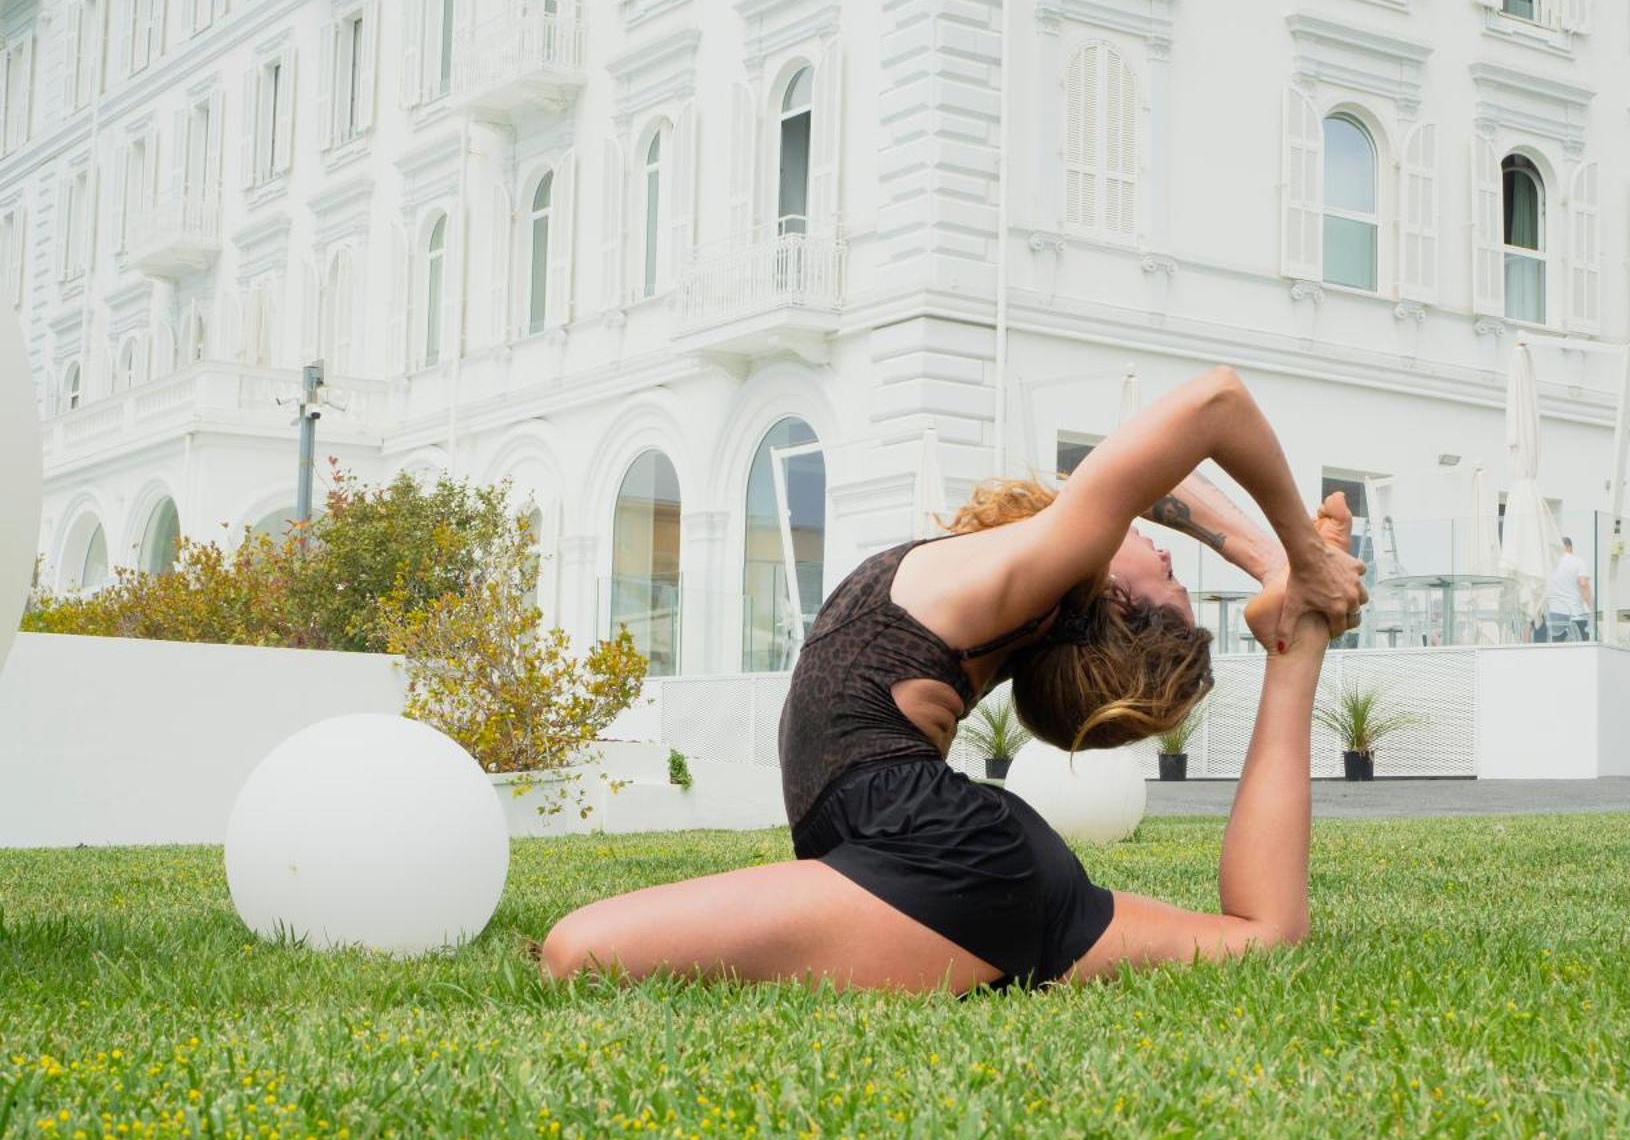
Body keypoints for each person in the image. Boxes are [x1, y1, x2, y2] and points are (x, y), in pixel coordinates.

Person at [539, 366, 1369, 994]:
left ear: (1115, 598)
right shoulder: (1033, 568)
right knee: (1258, 937)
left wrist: (1300, 559)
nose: (1166, 551)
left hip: (935, 847)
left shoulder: (1052, 563)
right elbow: (1158, 472)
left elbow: (1215, 404)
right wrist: (1281, 559)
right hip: (922, 851)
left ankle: (1298, 640)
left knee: (578, 953)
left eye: (1169, 579)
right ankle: (1298, 641)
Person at [1544, 536, 1593, 642]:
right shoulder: (1578, 562)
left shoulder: (1550, 564)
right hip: (1575, 613)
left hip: (1555, 614)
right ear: (1570, 547)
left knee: (1558, 648)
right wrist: (1591, 607)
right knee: (1582, 648)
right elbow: (1583, 584)